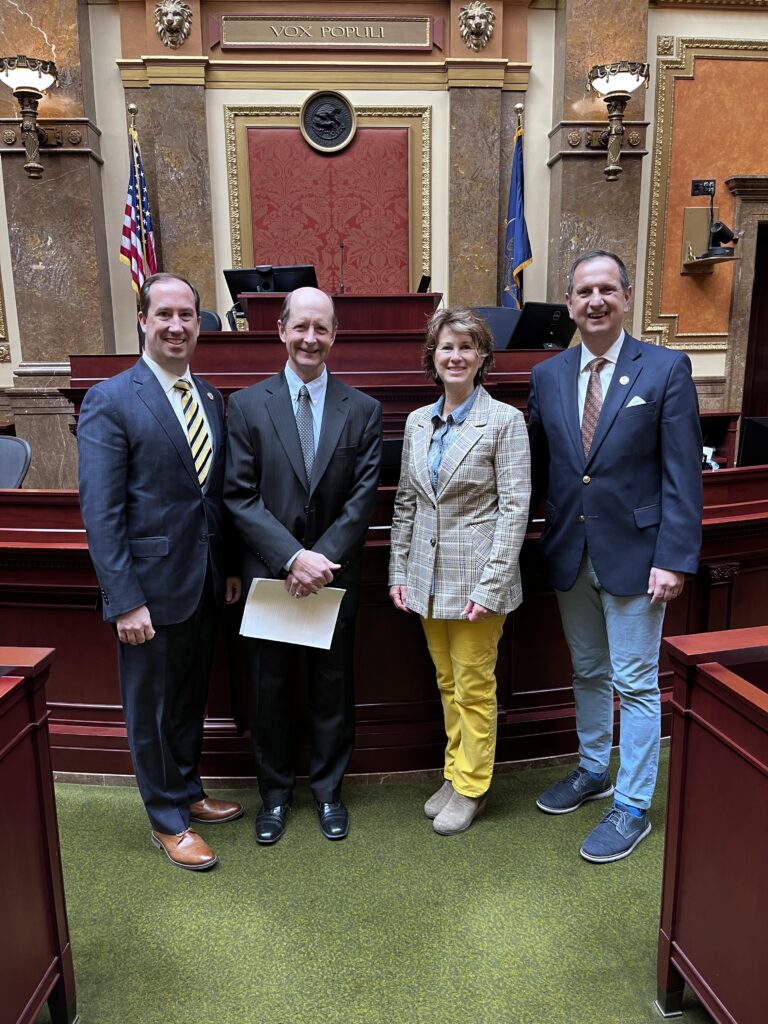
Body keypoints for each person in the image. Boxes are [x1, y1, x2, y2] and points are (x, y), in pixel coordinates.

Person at [528, 250, 703, 863]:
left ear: (627, 298)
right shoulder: (547, 376)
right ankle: (593, 768)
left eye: (606, 289)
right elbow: (546, 467)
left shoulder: (664, 368)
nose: (594, 300)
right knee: (588, 673)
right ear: (569, 304)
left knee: (633, 681)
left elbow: (683, 474)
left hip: (638, 558)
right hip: (571, 553)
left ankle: (631, 804)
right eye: (583, 291)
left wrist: (675, 558)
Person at [77, 272, 243, 871]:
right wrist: (123, 599)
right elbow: (101, 510)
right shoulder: (111, 398)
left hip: (201, 583)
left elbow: (212, 497)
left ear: (200, 324)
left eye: (187, 316)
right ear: (143, 320)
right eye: (164, 314)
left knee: (188, 699)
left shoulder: (212, 398)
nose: (177, 326)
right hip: (145, 591)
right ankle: (165, 819)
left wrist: (222, 568)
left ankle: (189, 791)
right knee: (148, 707)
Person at [225, 286, 382, 844]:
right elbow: (239, 496)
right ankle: (273, 796)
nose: (310, 339)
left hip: (334, 579)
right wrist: (292, 557)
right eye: (301, 327)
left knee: (332, 688)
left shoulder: (363, 410)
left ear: (334, 335)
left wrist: (319, 561)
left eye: (321, 329)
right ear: (282, 331)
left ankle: (328, 792)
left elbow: (364, 499)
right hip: (271, 577)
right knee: (270, 690)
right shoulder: (245, 405)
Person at [388, 307, 531, 835]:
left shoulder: (505, 421)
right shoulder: (417, 422)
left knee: (474, 685)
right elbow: (406, 502)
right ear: (433, 357)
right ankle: (454, 771)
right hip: (425, 579)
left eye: (466, 347)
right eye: (446, 347)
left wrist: (491, 586)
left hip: (478, 581)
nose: (455, 356)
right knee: (448, 683)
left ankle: (472, 786)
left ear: (483, 358)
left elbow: (515, 510)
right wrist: (398, 572)